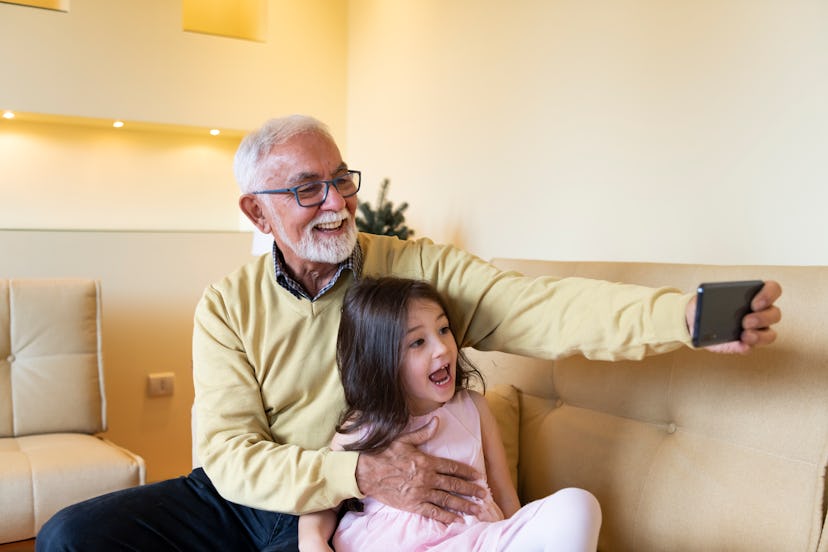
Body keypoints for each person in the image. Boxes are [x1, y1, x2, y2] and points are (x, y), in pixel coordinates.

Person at [36, 114, 782, 551]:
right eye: (306, 190)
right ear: (259, 214)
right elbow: (229, 454)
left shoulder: (409, 269)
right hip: (263, 491)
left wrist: (676, 319)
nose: (335, 203)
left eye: (342, 179)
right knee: (72, 535)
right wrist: (352, 474)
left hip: (365, 506)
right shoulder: (227, 305)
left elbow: (536, 306)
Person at [298, 276, 602, 551]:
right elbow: (323, 498)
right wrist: (312, 540)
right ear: (381, 360)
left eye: (443, 330)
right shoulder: (362, 426)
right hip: (395, 545)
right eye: (418, 341)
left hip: (476, 539)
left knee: (578, 506)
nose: (442, 348)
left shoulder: (474, 409)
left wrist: (520, 534)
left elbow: (505, 495)